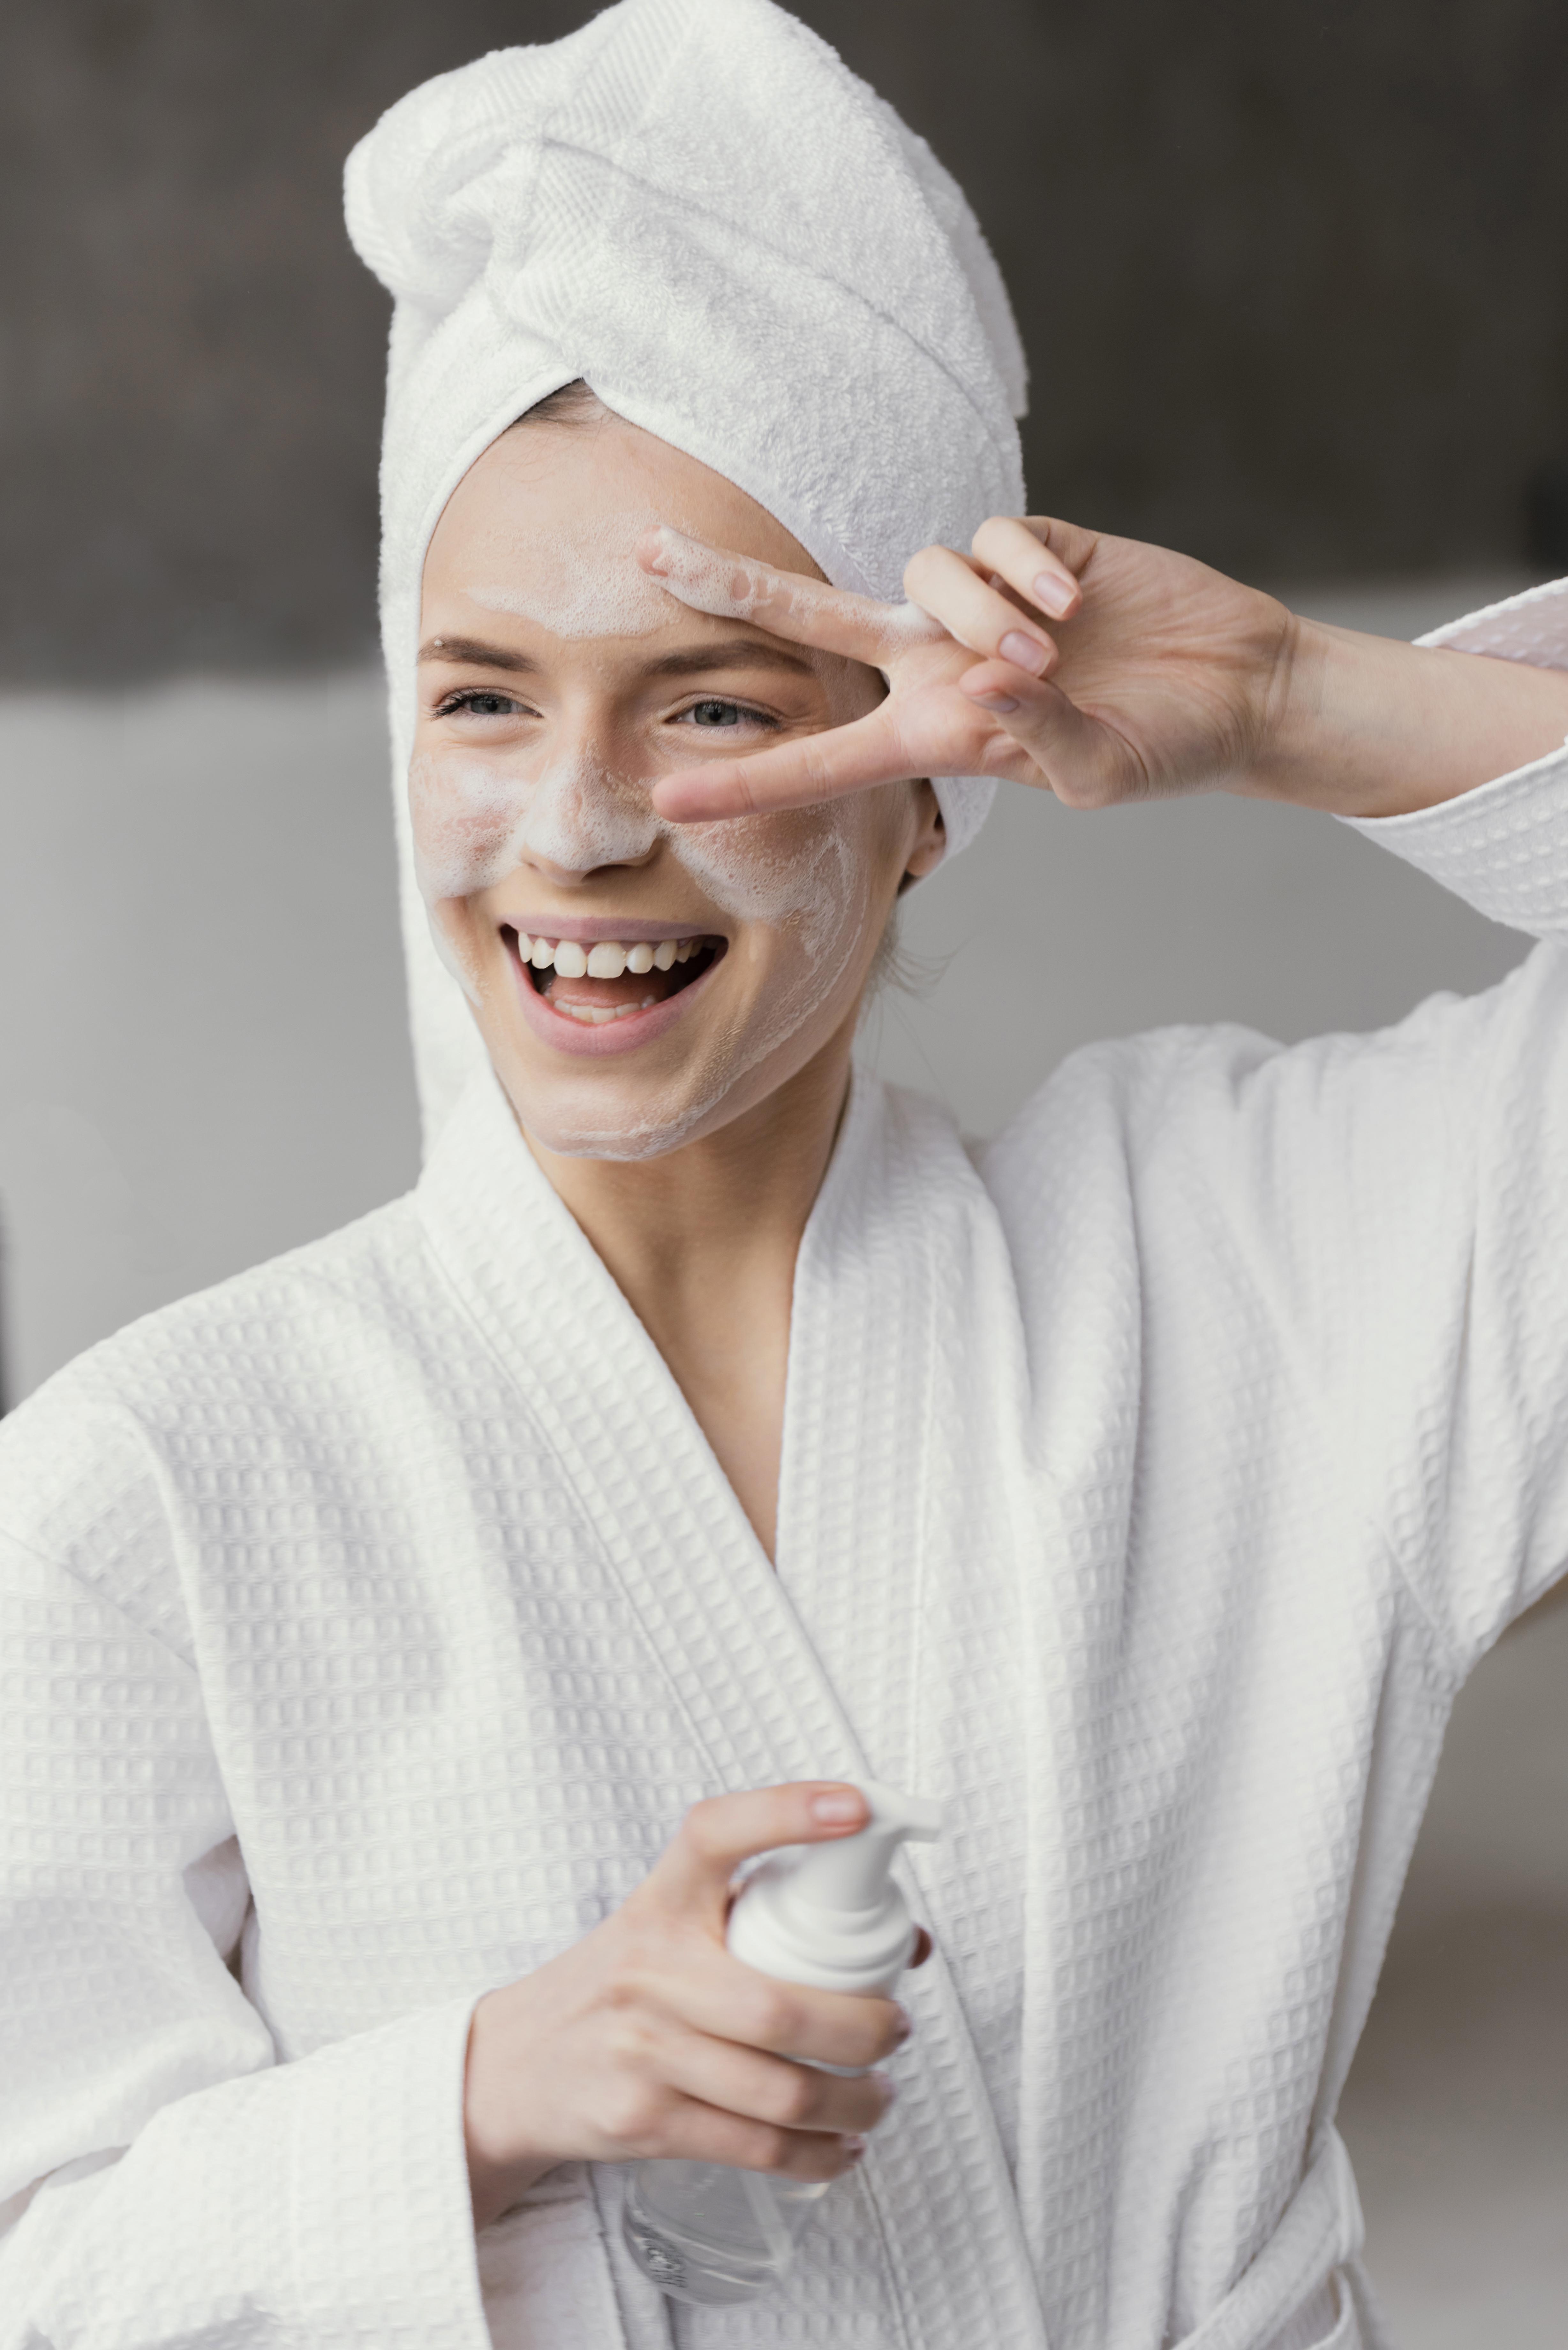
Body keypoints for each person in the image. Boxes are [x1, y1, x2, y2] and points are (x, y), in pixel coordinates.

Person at [3, 4, 1566, 2346]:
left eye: (716, 703)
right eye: (482, 694)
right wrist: (473, 2095)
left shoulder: (1251, 1263)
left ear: (936, 780)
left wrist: (1294, 701)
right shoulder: (161, 1481)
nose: (576, 823)